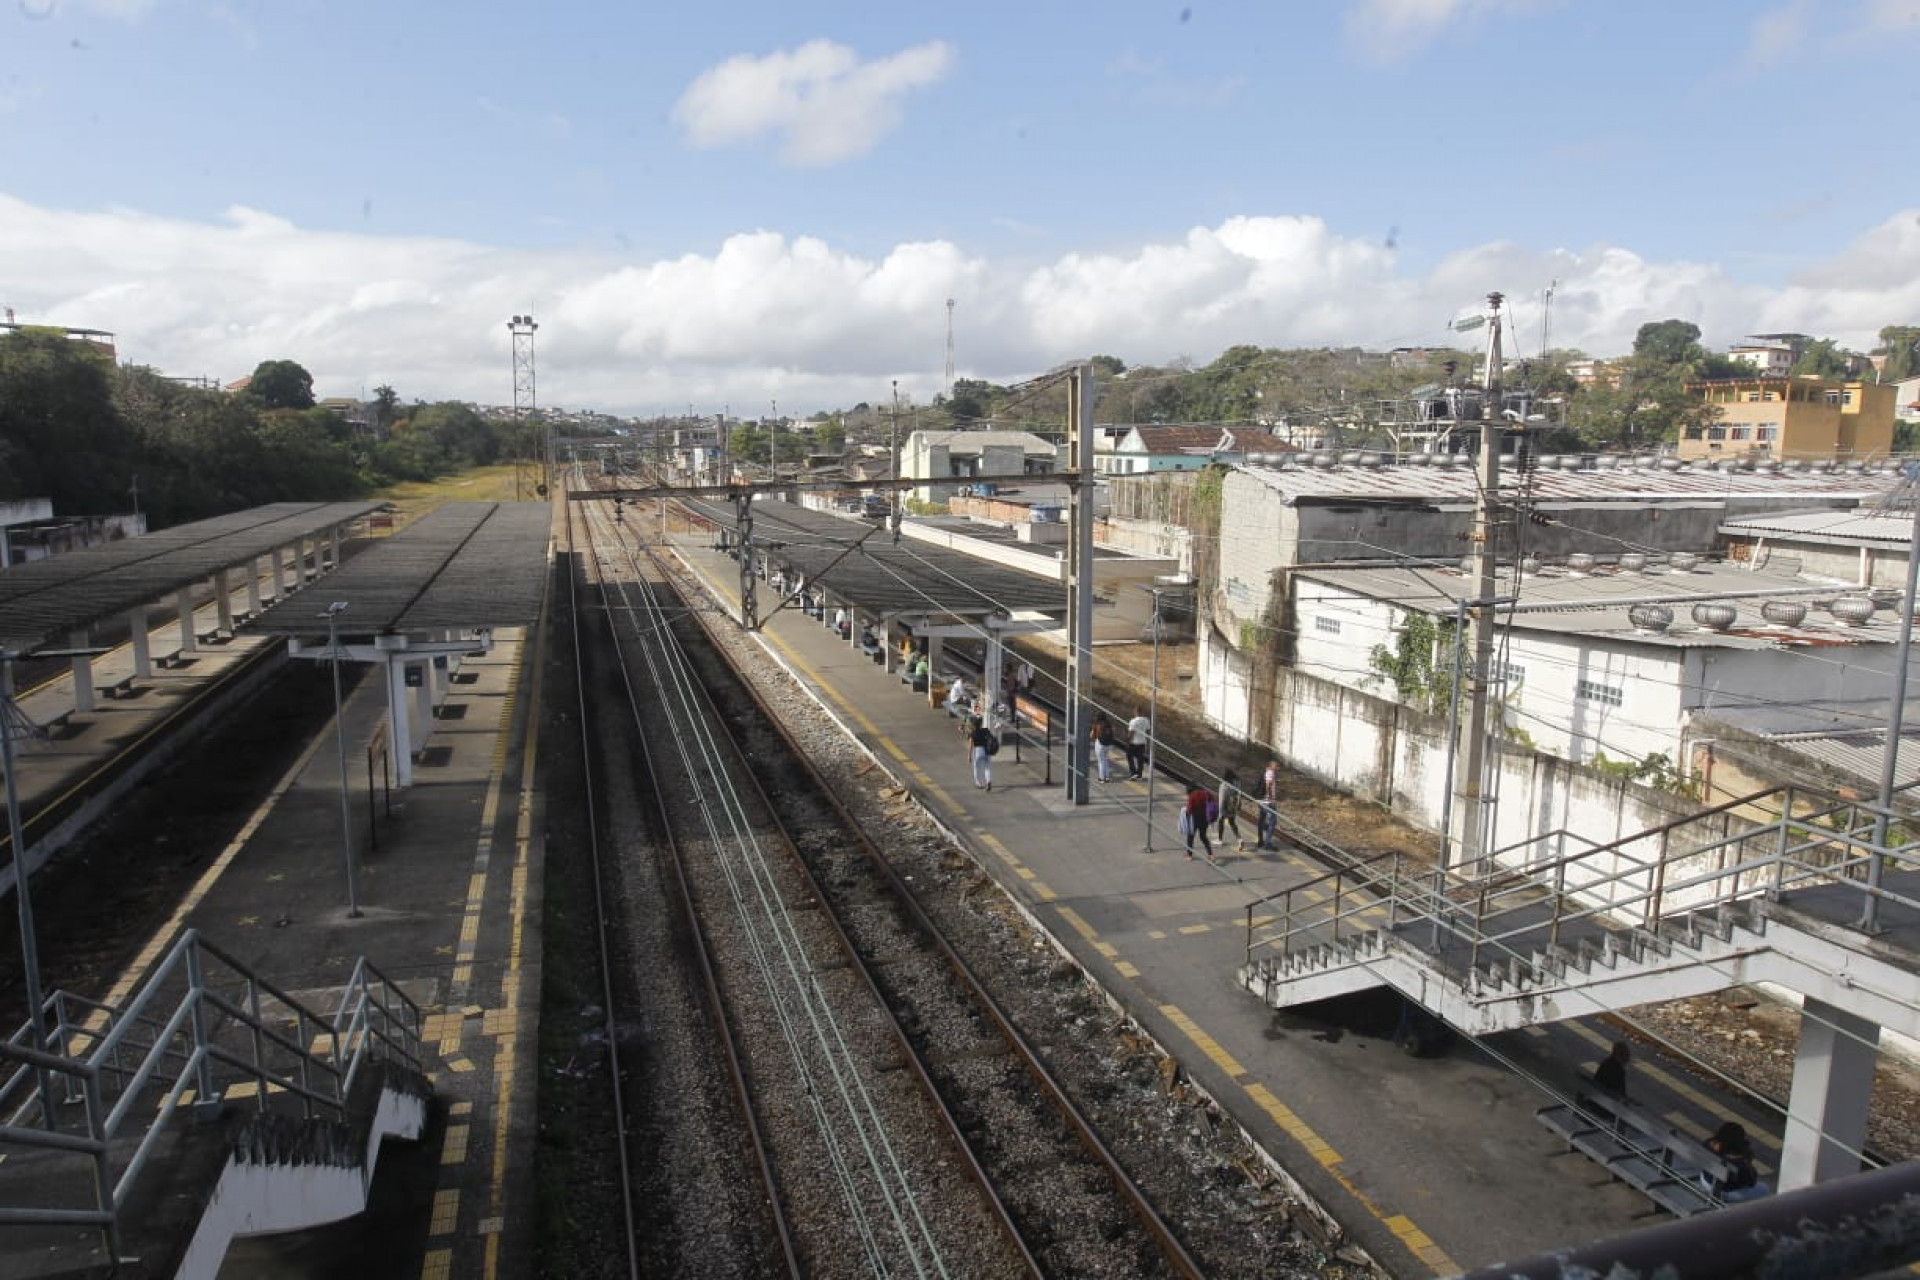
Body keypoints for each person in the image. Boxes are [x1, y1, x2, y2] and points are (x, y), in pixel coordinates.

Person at [1703, 1121, 1763, 1199]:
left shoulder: (1708, 1144)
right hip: (1723, 1192)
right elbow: (1749, 1181)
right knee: (1764, 1188)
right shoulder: (1739, 1162)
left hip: (1705, 1179)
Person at [1181, 784, 1215, 862]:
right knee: (1203, 836)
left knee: (1190, 837)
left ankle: (1189, 855)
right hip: (1205, 817)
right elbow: (1212, 800)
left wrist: (1185, 814)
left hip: (1194, 818)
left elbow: (1189, 809)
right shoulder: (1206, 793)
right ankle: (1210, 854)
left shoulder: (1192, 796)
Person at [1218, 768, 1247, 848]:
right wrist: (1238, 806)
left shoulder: (1224, 785)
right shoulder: (1237, 782)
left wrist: (1220, 809)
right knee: (1232, 822)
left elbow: (1222, 798)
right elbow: (1239, 794)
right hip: (1233, 805)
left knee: (1221, 821)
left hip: (1225, 806)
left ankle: (1220, 839)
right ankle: (1239, 839)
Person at [1256, 760, 1281, 850]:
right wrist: (1269, 797)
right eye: (1276, 766)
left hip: (1262, 800)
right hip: (1268, 802)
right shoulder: (1270, 773)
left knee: (1261, 820)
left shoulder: (1265, 772)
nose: (1278, 768)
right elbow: (1268, 785)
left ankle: (1260, 840)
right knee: (1272, 822)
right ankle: (1267, 843)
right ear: (1271, 766)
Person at [969, 718, 997, 791]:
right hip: (987, 751)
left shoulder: (973, 733)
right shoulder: (986, 730)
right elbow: (991, 737)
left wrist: (969, 755)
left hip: (978, 751)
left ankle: (978, 783)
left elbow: (970, 745)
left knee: (976, 767)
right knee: (987, 767)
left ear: (973, 725)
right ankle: (988, 781)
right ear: (981, 724)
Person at [1089, 712, 1116, 783]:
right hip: (1109, 745)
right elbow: (1113, 733)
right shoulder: (1109, 724)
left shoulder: (1097, 724)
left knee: (1100, 761)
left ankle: (1101, 778)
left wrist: (1092, 737)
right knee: (1106, 760)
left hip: (1100, 744)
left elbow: (1092, 735)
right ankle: (1107, 777)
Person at [1126, 709, 1151, 780]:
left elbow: (1131, 733)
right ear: (1142, 712)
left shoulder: (1133, 721)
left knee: (1129, 757)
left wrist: (1128, 742)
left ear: (1136, 712)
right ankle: (1139, 775)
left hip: (1134, 743)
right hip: (1142, 742)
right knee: (1140, 759)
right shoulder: (1146, 720)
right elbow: (1148, 729)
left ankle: (1133, 773)